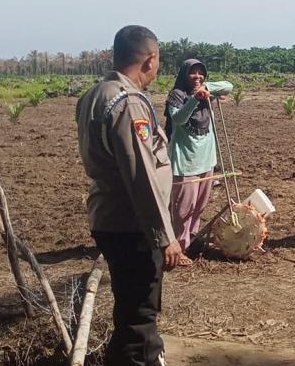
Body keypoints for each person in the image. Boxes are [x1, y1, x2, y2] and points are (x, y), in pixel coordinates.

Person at [75, 25, 181, 366]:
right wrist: (165, 237)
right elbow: (141, 176)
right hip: (133, 225)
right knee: (140, 321)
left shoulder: (94, 94)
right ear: (150, 59)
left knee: (128, 312)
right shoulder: (128, 102)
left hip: (109, 217)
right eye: (159, 61)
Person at [164, 59, 233, 265]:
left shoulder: (207, 93)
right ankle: (178, 247)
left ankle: (191, 240)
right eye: (192, 73)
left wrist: (205, 89)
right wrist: (194, 99)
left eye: (200, 73)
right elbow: (179, 119)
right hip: (185, 162)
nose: (197, 77)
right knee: (182, 209)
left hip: (206, 160)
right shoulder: (176, 95)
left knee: (199, 206)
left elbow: (229, 86)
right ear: (184, 75)